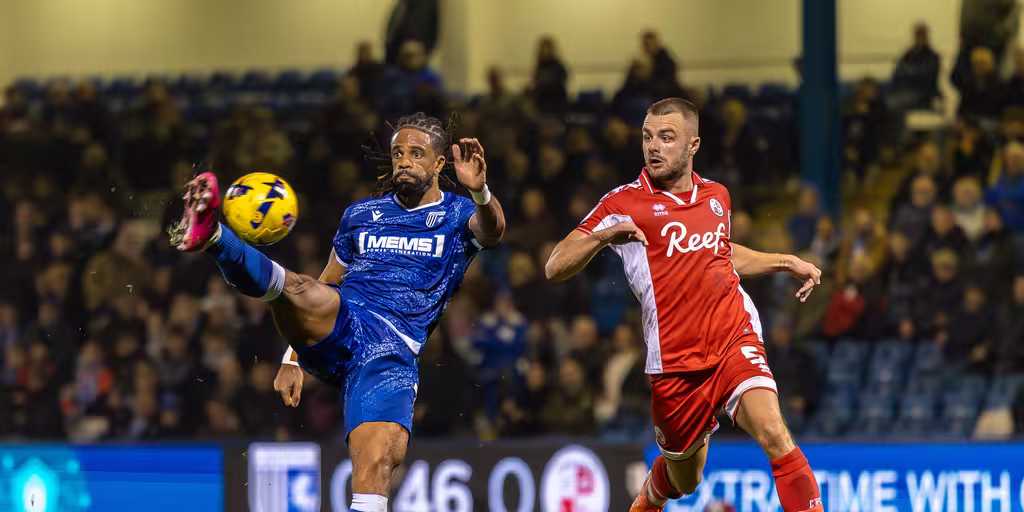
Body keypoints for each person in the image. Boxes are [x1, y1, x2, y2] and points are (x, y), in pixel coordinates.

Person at [167, 112, 505, 512]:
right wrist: (290, 357)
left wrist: (480, 191)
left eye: (417, 153)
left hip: (392, 351)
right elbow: (328, 280)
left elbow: (493, 231)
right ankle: (214, 236)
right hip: (347, 318)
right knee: (298, 288)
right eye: (398, 153)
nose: (404, 161)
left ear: (439, 164)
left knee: (376, 464)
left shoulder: (455, 215)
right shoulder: (361, 215)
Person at [545, 98, 824, 512]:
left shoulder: (717, 197)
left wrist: (785, 261)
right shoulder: (623, 203)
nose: (653, 146)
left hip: (733, 336)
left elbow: (720, 254)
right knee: (685, 478)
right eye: (647, 137)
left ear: (693, 145)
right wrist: (603, 237)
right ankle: (652, 494)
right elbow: (554, 266)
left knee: (774, 432)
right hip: (675, 363)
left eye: (666, 137)